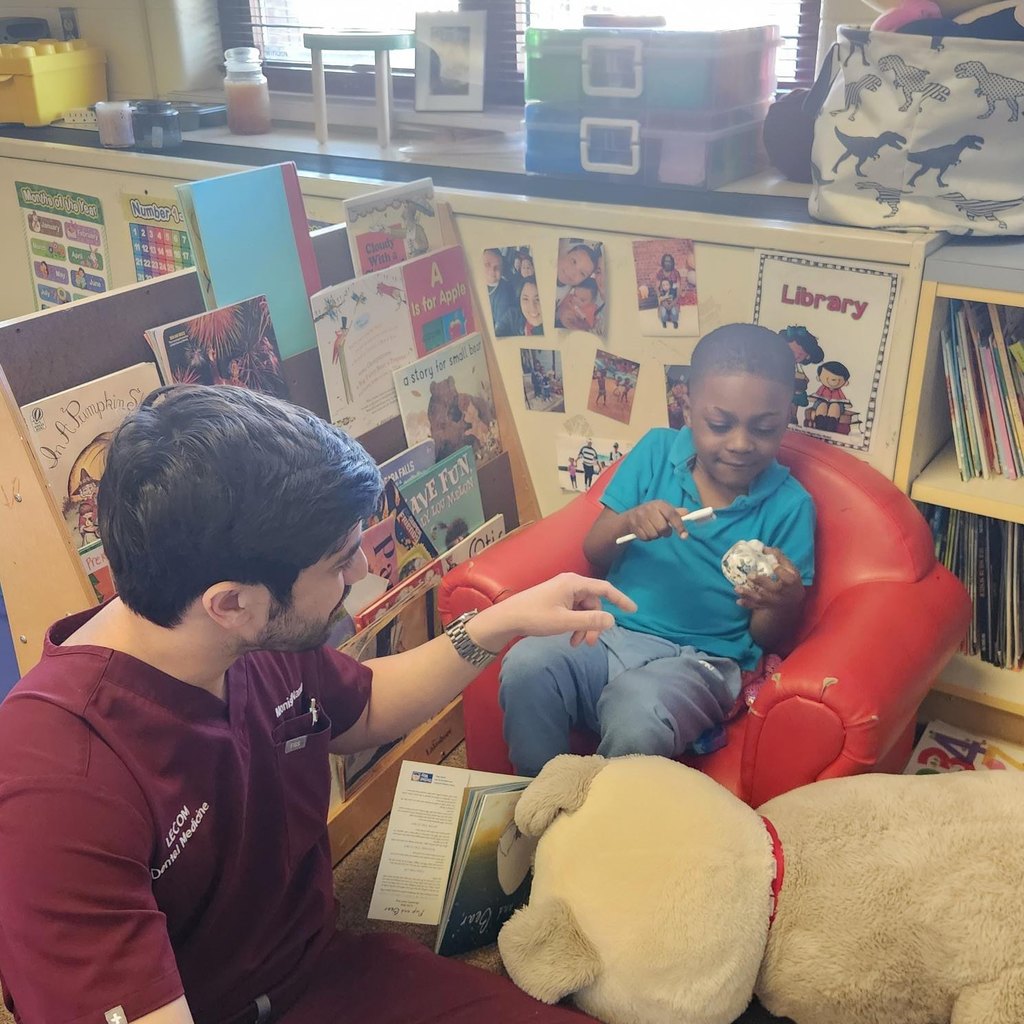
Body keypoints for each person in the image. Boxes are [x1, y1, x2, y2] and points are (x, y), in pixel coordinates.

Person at [0, 385, 634, 1024]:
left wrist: (501, 623)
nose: (361, 569)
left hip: (324, 972)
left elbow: (362, 709)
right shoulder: (57, 784)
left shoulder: (244, 627)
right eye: (338, 561)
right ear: (231, 605)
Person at [499, 324, 816, 777]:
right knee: (527, 663)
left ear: (786, 417)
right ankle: (537, 796)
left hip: (705, 661)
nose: (741, 444)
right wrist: (629, 521)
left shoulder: (791, 506)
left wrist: (783, 600)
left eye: (764, 428)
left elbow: (767, 637)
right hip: (612, 633)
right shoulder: (655, 452)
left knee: (636, 711)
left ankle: (599, 832)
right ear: (687, 407)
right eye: (720, 424)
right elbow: (595, 551)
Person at [482, 248, 518, 337]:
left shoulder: (504, 292)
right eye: (487, 265)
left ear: (502, 270)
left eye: (497, 267)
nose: (492, 270)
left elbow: (499, 329)